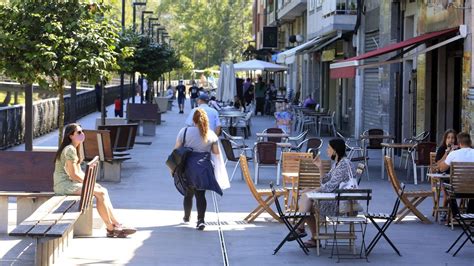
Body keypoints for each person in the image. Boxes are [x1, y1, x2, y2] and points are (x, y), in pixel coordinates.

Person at [53, 123, 136, 238]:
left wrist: (92, 183)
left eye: (82, 131)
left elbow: (78, 172)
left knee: (103, 190)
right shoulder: (70, 149)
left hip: (71, 183)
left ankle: (116, 223)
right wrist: (89, 183)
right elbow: (73, 174)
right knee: (100, 193)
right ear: (70, 135)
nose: (82, 134)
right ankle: (110, 228)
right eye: (79, 132)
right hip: (64, 185)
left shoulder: (75, 148)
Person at [295, 138, 355, 248]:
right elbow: (326, 181)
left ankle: (302, 229)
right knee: (306, 198)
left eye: (329, 148)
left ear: (335, 150)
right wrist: (320, 167)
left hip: (340, 203)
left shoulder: (344, 164)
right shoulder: (337, 163)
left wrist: (314, 190)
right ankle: (307, 233)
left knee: (307, 199)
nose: (327, 150)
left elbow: (330, 186)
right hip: (334, 198)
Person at [175, 109, 222, 230]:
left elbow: (176, 150)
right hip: (203, 167)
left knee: (188, 193)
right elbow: (216, 152)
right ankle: (201, 220)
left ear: (193, 119)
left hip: (188, 167)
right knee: (201, 194)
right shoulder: (210, 134)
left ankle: (186, 217)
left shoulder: (184, 131)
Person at [437, 132, 474, 213]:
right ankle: (470, 214)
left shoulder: (453, 154)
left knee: (447, 184)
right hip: (472, 190)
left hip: (456, 190)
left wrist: (447, 153)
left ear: (459, 143)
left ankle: (456, 215)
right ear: (470, 143)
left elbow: (442, 169)